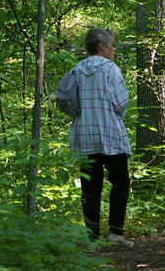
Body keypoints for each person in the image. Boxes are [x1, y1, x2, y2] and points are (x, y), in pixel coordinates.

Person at [54, 27, 133, 247]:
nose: (114, 49)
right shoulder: (110, 69)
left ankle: (92, 237)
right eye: (112, 44)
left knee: (90, 188)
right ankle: (115, 233)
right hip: (110, 136)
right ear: (101, 46)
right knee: (120, 183)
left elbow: (68, 103)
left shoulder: (77, 69)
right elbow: (121, 103)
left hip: (84, 137)